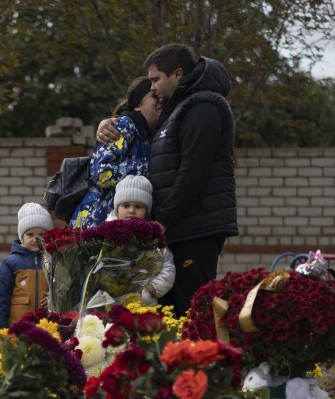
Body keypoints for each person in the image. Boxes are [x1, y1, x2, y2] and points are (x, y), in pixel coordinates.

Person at [96, 43, 238, 316]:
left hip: (196, 227)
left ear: (178, 74)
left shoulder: (203, 107)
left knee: (190, 312)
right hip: (179, 226)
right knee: (169, 315)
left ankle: (198, 358)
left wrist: (163, 220)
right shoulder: (179, 107)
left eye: (155, 79)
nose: (152, 88)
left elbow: (194, 172)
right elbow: (142, 126)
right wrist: (109, 122)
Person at [69, 76, 160, 228]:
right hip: (96, 222)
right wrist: (151, 166)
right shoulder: (123, 126)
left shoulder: (148, 133)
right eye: (154, 96)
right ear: (138, 105)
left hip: (120, 225)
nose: (161, 100)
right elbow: (102, 173)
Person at [105, 175, 175, 306]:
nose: (131, 211)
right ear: (116, 208)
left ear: (146, 211)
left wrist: (153, 288)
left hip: (144, 304)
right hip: (109, 303)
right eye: (125, 205)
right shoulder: (104, 236)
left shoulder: (154, 239)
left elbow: (168, 267)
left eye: (138, 206)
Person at [0, 202, 53, 330]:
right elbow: (0, 296)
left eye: (41, 234)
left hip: (46, 327)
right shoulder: (11, 263)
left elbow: (60, 288)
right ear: (22, 238)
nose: (35, 239)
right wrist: (0, 326)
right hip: (17, 327)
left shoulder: (53, 261)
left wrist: (53, 297)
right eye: (30, 234)